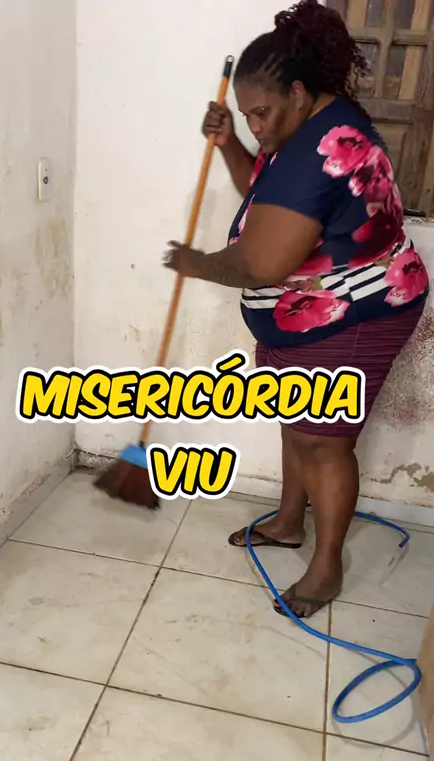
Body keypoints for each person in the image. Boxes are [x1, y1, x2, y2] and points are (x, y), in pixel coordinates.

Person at [163, 0, 429, 618]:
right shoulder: (306, 125)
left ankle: (327, 567)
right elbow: (265, 191)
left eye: (261, 112)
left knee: (322, 443)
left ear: (300, 91)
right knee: (298, 417)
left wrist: (197, 262)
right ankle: (288, 522)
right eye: (246, 115)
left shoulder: (316, 152)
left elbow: (261, 263)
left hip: (356, 313)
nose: (256, 125)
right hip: (314, 310)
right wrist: (229, 143)